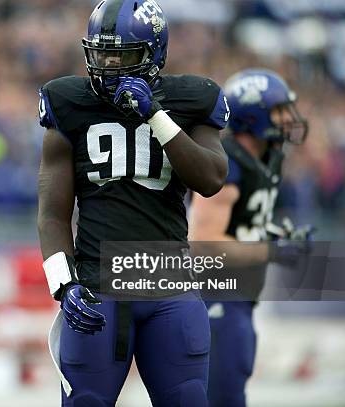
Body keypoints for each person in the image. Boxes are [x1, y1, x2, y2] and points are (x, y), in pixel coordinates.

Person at [37, 0, 230, 405]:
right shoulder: (69, 102)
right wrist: (62, 283)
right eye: (99, 52)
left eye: (121, 55)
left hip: (168, 285)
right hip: (98, 286)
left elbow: (211, 178)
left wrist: (155, 115)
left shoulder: (191, 98)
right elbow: (52, 213)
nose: (107, 65)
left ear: (154, 53)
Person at [188, 68, 310, 407]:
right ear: (254, 116)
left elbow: (242, 225)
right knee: (222, 397)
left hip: (238, 297)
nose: (289, 118)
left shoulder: (266, 157)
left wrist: (276, 236)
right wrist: (270, 251)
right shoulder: (228, 162)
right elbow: (204, 244)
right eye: (279, 110)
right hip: (214, 297)